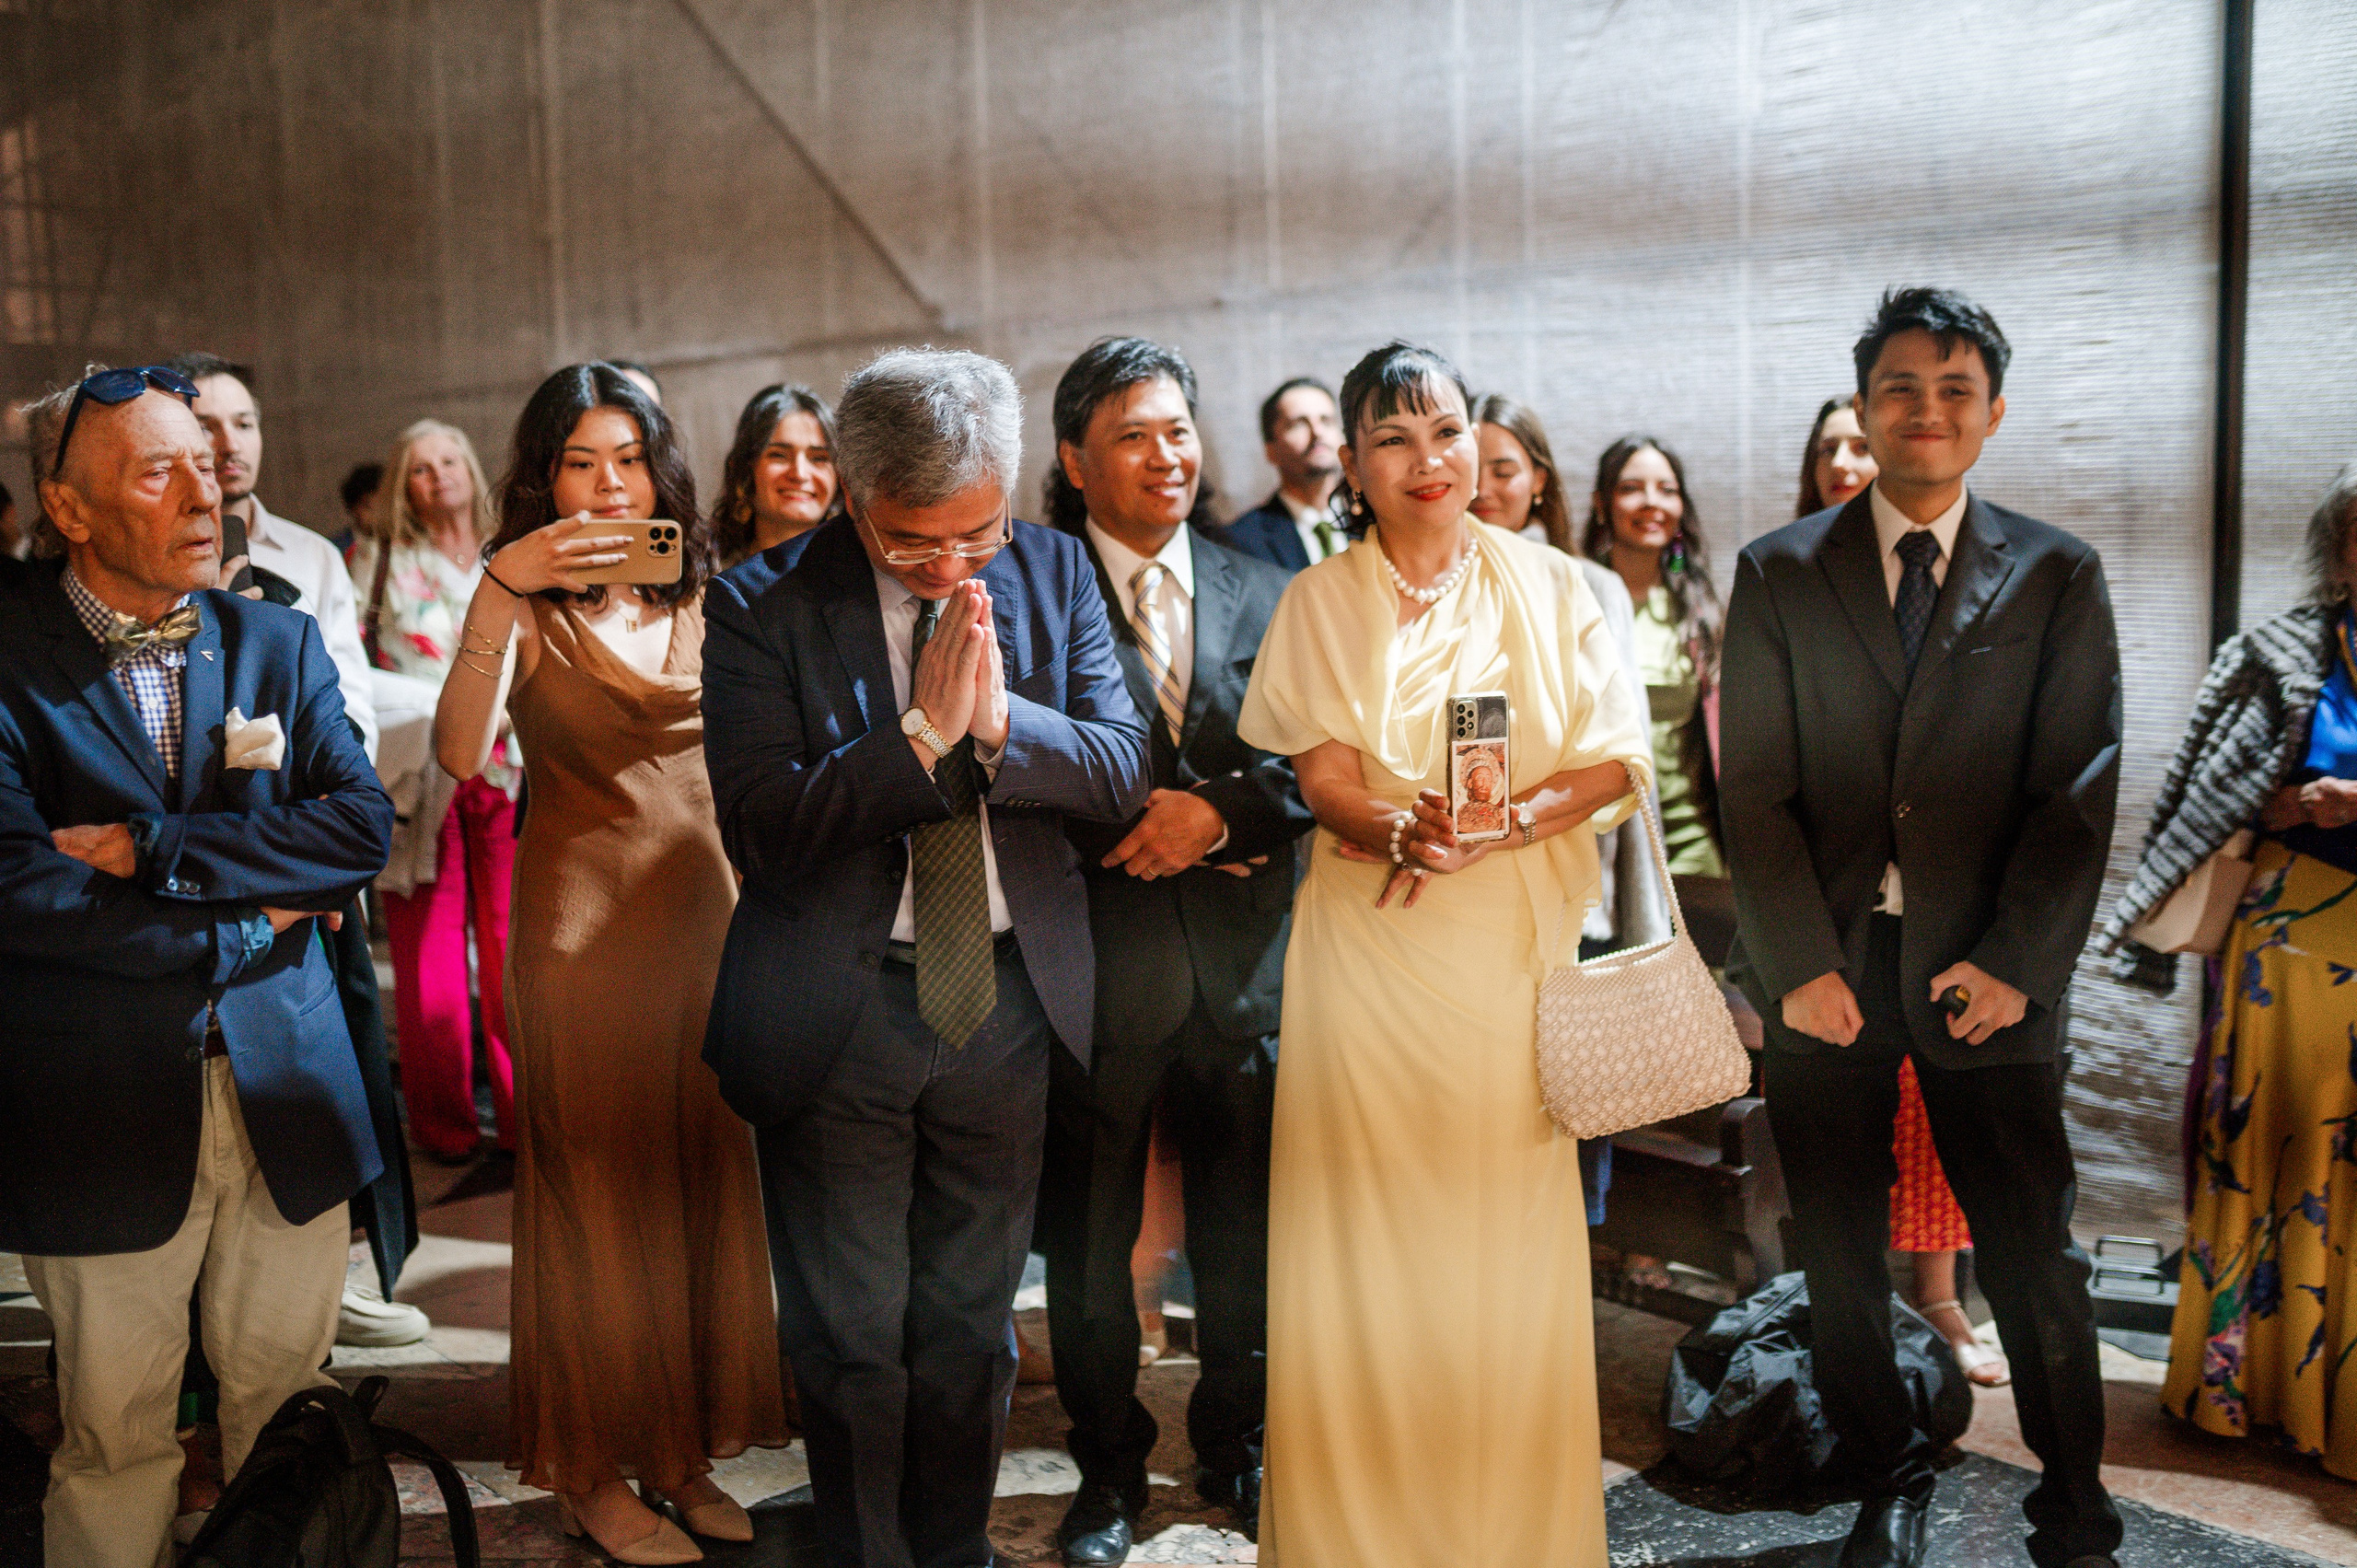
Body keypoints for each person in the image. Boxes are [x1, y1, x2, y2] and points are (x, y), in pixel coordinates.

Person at [702, 346, 1151, 1568]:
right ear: (853, 494)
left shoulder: (1054, 572)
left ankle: (954, 1549)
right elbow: (763, 826)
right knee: (851, 1335)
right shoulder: (760, 605)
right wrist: (917, 738)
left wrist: (1003, 726)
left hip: (1004, 1001)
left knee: (972, 1327)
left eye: (976, 533)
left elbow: (1122, 768)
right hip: (841, 1009)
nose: (952, 567)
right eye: (913, 543)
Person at [1720, 287, 2123, 1568]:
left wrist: (2015, 962)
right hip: (1830, 968)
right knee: (1836, 1244)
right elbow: (1755, 788)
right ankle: (1885, 1477)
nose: (1927, 410)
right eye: (1901, 386)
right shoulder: (1780, 570)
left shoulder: (2058, 573)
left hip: (1988, 969)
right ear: (1863, 406)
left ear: (1992, 413)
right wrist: (1798, 967)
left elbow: (2079, 786)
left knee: (2031, 1251)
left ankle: (2074, 1499)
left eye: (1956, 390)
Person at [1235, 341, 1650, 1566]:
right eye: (1398, 437)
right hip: (1367, 957)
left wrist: (1500, 824)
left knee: (1500, 1247)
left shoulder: (1560, 586)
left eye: (1450, 430)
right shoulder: (1320, 598)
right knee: (1360, 1243)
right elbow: (1319, 776)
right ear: (1355, 465)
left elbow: (1616, 763)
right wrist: (1398, 822)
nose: (1432, 458)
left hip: (1507, 960)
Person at [0, 366, 392, 1568]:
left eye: (206, 462)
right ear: (70, 512)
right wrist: (248, 917)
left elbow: (361, 827)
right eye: (157, 470)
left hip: (290, 1090)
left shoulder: (271, 636)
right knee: (114, 1433)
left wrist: (158, 846)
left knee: (292, 1426)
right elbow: (23, 889)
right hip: (103, 1105)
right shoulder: (9, 654)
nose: (205, 488)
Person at [435, 363, 786, 1563]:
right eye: (579, 461)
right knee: (595, 1199)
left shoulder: (708, 591)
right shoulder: (527, 601)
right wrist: (498, 588)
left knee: (696, 1182)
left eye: (626, 457)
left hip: (706, 922)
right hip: (580, 937)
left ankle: (680, 1453)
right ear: (542, 476)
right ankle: (591, 1465)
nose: (605, 482)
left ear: (658, 469)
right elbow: (457, 751)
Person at [1032, 338, 1312, 1563]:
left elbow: (1315, 758)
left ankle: (1237, 1439)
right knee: (1091, 1242)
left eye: (1181, 429)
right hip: (1094, 967)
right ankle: (1106, 1469)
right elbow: (1009, 755)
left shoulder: (1264, 585)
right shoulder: (1030, 592)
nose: (1168, 453)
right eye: (1137, 433)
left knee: (1244, 1238)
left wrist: (1225, 815)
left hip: (1241, 972)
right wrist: (1139, 823)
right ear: (1075, 458)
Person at [2106, 464, 2357, 1477]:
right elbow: (2206, 796)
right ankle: (2236, 1394)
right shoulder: (2280, 650)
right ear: (2336, 546)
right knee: (2264, 1153)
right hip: (2285, 938)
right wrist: (2288, 804)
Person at [169, 352, 424, 1353]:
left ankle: (341, 1263)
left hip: (313, 852)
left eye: (245, 421)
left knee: (340, 1058)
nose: (228, 443)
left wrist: (317, 828)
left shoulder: (310, 555)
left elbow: (347, 697)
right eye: (206, 424)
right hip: (211, 868)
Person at [1792, 392, 2004, 1388]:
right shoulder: (1786, 575)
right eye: (1827, 444)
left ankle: (1939, 1296)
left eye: (1855, 439)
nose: (1845, 457)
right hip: (1824, 904)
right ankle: (1857, 1334)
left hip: (1941, 908)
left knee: (1934, 1106)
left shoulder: (1968, 572)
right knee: (1838, 1137)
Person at [350, 421, 519, 1162]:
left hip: (511, 767)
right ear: (401, 485)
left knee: (517, 953)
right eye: (419, 468)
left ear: (472, 467)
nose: (438, 476)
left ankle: (524, 1117)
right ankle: (445, 1128)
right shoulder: (377, 560)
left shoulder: (507, 552)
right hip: (420, 779)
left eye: (450, 459)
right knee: (428, 963)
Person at [1584, 436, 1729, 970]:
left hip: (1691, 836)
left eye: (1666, 490)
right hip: (1601, 833)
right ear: (1601, 505)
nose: (1652, 502)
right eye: (1632, 488)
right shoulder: (1576, 599)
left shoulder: (1699, 609)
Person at [1220, 377, 1346, 572]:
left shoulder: (1376, 520)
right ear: (1271, 450)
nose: (1318, 432)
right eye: (1299, 424)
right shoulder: (1242, 541)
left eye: (1326, 421)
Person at [714, 383, 840, 567]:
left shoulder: (867, 571)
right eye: (779, 455)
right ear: (744, 470)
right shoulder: (704, 579)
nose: (800, 474)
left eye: (818, 458)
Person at [337, 461, 384, 554]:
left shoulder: (404, 549)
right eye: (368, 506)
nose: (377, 514)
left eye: (382, 506)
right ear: (353, 508)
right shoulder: (338, 549)